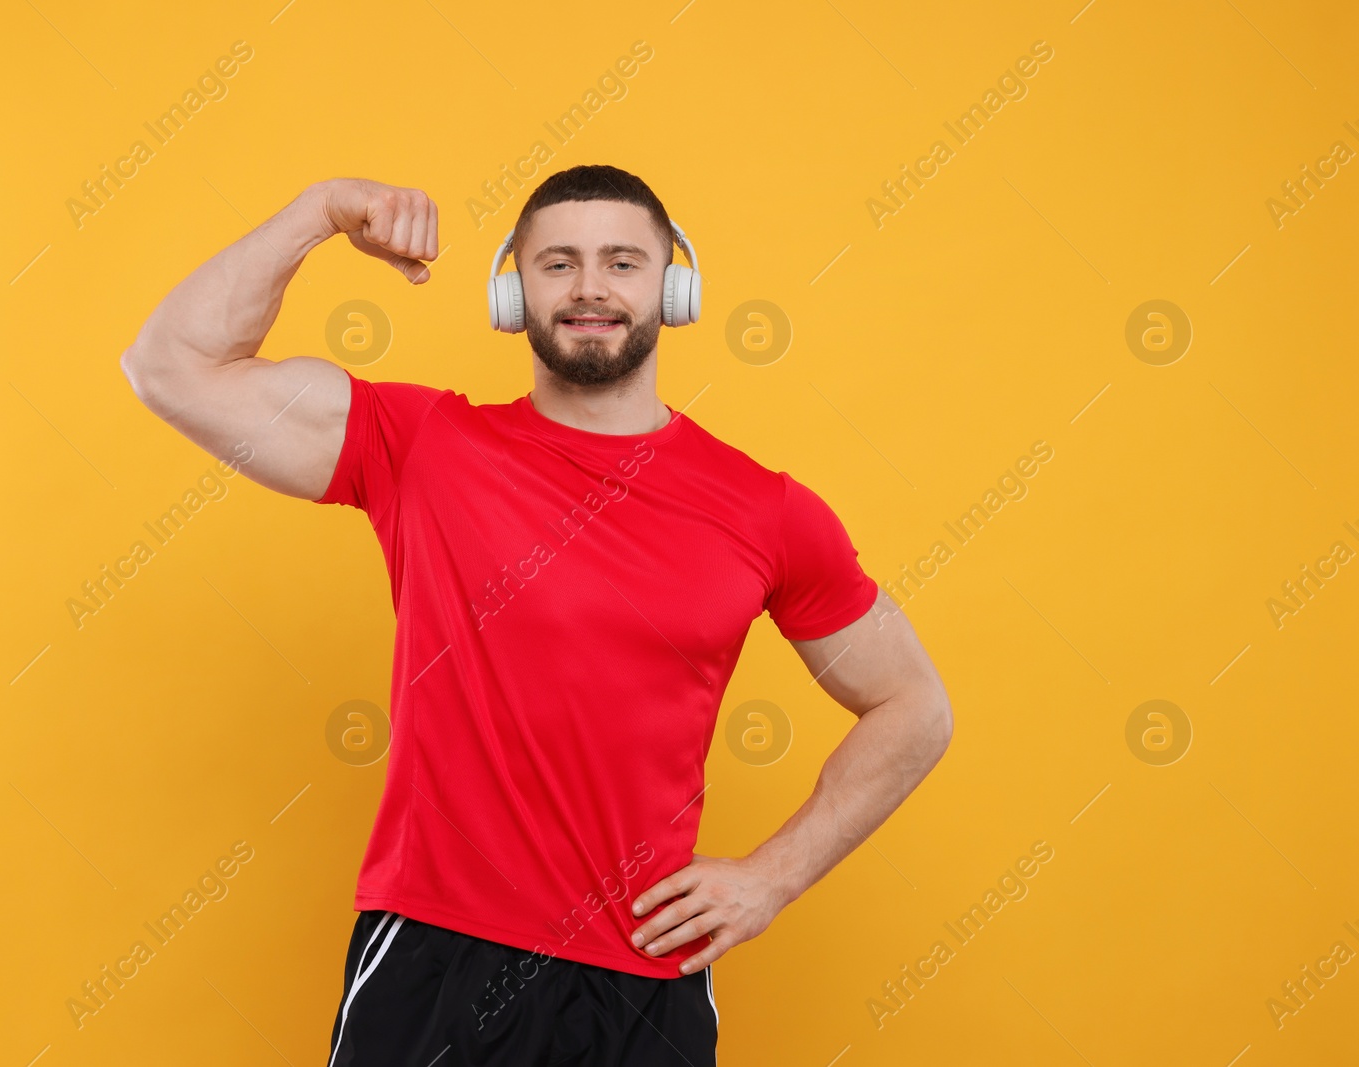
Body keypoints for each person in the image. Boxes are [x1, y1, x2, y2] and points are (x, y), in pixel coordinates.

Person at [120, 164, 953, 1066]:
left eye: (623, 262)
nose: (591, 287)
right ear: (512, 294)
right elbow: (171, 364)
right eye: (557, 264)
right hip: (435, 956)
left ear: (674, 287)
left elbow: (913, 707)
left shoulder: (766, 510)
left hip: (643, 980)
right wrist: (317, 211)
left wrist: (773, 877)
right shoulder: (424, 449)